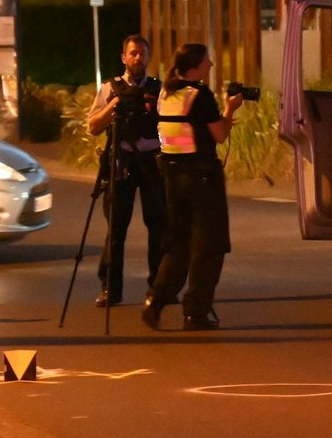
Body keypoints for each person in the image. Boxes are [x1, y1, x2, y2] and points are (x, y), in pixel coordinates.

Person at [144, 43, 247, 331]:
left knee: (179, 243)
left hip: (172, 176)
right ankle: (195, 312)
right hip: (202, 178)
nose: (211, 64)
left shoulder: (166, 93)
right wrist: (230, 108)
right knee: (209, 246)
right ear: (194, 65)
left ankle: (155, 300)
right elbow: (219, 134)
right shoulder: (200, 95)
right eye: (206, 60)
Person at [85, 34, 166, 308]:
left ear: (148, 56)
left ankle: (159, 287)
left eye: (142, 53)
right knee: (116, 229)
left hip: (153, 161)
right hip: (122, 161)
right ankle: (110, 288)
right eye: (133, 53)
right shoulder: (111, 88)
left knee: (159, 227)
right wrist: (114, 105)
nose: (138, 58)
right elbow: (93, 126)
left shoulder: (158, 89)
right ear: (124, 57)